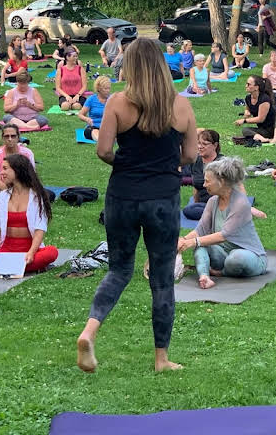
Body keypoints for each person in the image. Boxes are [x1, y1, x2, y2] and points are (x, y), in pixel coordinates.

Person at [76, 37, 198, 374]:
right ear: (161, 64)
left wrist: (126, 163)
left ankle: (89, 332)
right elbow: (190, 155)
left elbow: (102, 151)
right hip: (163, 197)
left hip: (123, 196)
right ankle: (161, 359)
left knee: (119, 270)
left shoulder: (117, 102)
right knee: (161, 281)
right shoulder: (181, 105)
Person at [178, 157, 267, 289]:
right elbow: (200, 230)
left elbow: (224, 235)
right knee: (201, 245)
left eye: (208, 181)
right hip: (223, 254)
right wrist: (183, 240)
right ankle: (204, 277)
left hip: (251, 256)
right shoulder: (212, 201)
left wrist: (193, 241)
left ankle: (221, 273)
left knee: (235, 258)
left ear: (222, 181)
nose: (204, 185)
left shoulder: (240, 203)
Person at [0, 154, 58, 274]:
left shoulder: (37, 197)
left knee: (51, 252)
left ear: (17, 170)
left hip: (29, 251)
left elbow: (40, 230)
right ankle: (16, 266)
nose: (2, 172)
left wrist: (32, 253)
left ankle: (3, 267)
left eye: (5, 168)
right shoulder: (1, 198)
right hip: (5, 250)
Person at [182, 129, 223, 221]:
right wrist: (195, 203)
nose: (200, 147)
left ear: (215, 145)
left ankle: (223, 213)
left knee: (189, 211)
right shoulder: (196, 161)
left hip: (220, 204)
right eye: (199, 143)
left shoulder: (221, 163)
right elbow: (196, 186)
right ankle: (216, 215)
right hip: (203, 204)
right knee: (189, 210)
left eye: (204, 144)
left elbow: (235, 186)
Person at [236, 75, 276, 142]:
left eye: (249, 84)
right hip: (263, 130)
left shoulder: (264, 99)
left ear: (256, 87)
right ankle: (263, 139)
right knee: (245, 130)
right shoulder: (248, 98)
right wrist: (246, 112)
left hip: (275, 126)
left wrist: (244, 120)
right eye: (246, 84)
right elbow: (247, 109)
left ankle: (275, 139)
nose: (246, 86)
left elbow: (260, 119)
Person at [79, 75, 112, 141]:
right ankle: (102, 140)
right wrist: (87, 119)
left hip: (108, 127)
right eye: (105, 89)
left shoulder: (112, 99)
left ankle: (107, 139)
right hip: (93, 127)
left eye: (109, 88)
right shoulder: (91, 99)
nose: (108, 91)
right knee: (95, 132)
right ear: (99, 89)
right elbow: (80, 115)